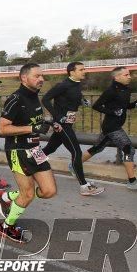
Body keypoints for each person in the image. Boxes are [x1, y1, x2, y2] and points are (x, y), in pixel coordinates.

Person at [0, 63, 58, 243]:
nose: (41, 79)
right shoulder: (16, 98)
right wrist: (32, 127)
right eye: (37, 76)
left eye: (42, 76)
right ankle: (7, 227)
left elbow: (31, 120)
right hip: (18, 151)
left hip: (35, 150)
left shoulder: (34, 96)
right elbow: (2, 129)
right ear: (24, 78)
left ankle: (6, 196)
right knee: (28, 194)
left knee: (49, 191)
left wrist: (46, 123)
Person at [41, 62, 104, 196]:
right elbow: (46, 99)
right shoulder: (62, 85)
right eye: (81, 70)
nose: (84, 72)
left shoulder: (76, 84)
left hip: (67, 124)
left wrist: (82, 100)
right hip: (62, 124)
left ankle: (28, 164)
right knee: (77, 152)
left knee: (50, 148)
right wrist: (58, 116)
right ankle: (84, 186)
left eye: (84, 69)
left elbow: (74, 96)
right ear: (72, 72)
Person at [81, 67, 137, 190]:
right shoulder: (111, 90)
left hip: (113, 126)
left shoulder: (126, 90)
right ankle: (132, 181)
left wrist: (135, 104)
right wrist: (112, 112)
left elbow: (126, 106)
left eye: (129, 74)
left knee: (97, 148)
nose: (129, 77)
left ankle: (75, 165)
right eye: (126, 74)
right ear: (117, 77)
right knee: (129, 149)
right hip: (112, 126)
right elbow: (97, 105)